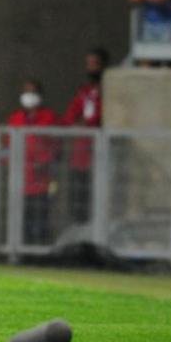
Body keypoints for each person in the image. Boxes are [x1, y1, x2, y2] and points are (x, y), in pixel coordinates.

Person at [6, 80, 59, 244]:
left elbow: (57, 145)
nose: (29, 96)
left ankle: (40, 253)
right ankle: (22, 252)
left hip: (43, 180)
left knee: (41, 219)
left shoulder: (49, 117)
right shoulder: (15, 118)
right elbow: (7, 145)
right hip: (21, 180)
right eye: (26, 92)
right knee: (22, 220)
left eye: (33, 92)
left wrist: (44, 161)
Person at [61, 48, 108, 224]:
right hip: (79, 158)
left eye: (94, 64)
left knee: (96, 205)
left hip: (98, 158)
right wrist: (78, 123)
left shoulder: (108, 92)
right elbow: (68, 118)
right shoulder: (84, 92)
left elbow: (99, 119)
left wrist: (85, 123)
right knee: (78, 206)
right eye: (88, 64)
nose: (90, 68)